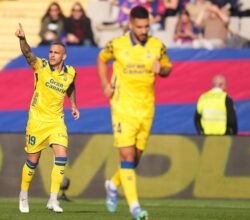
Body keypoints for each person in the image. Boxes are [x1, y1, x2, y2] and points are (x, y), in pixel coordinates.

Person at [97, 6, 172, 220]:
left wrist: (162, 70)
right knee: (127, 156)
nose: (143, 30)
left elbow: (168, 68)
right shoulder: (117, 45)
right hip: (122, 107)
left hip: (146, 108)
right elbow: (101, 59)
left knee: (135, 159)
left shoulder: (157, 46)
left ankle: (113, 184)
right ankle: (135, 208)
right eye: (139, 27)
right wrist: (105, 84)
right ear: (130, 25)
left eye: (146, 26)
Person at [15, 23, 80, 214]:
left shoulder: (70, 72)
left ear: (64, 56)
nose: (51, 55)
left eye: (56, 53)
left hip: (56, 121)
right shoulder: (41, 66)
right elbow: (28, 54)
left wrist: (73, 105)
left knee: (62, 156)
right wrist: (22, 40)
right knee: (32, 162)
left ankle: (53, 199)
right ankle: (23, 194)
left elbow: (70, 87)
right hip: (37, 121)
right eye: (50, 51)